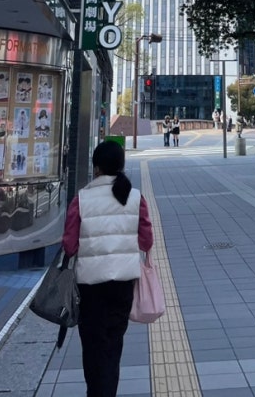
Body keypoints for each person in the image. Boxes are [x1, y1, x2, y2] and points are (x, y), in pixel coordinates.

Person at [62, 140, 153, 397]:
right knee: (113, 346)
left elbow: (69, 246)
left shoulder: (81, 199)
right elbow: (146, 241)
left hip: (90, 287)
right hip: (123, 286)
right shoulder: (135, 197)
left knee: (93, 349)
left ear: (97, 168)